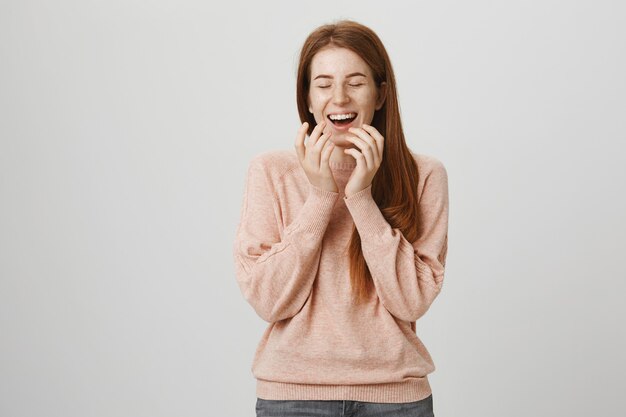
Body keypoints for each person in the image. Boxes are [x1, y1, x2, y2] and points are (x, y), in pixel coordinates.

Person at [233, 19, 449, 417]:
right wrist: (320, 197)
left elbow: (412, 300)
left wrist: (361, 199)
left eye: (355, 82)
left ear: (380, 94)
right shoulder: (271, 171)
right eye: (324, 84)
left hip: (395, 399)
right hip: (292, 397)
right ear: (308, 98)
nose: (339, 97)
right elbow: (268, 300)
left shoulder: (424, 175)